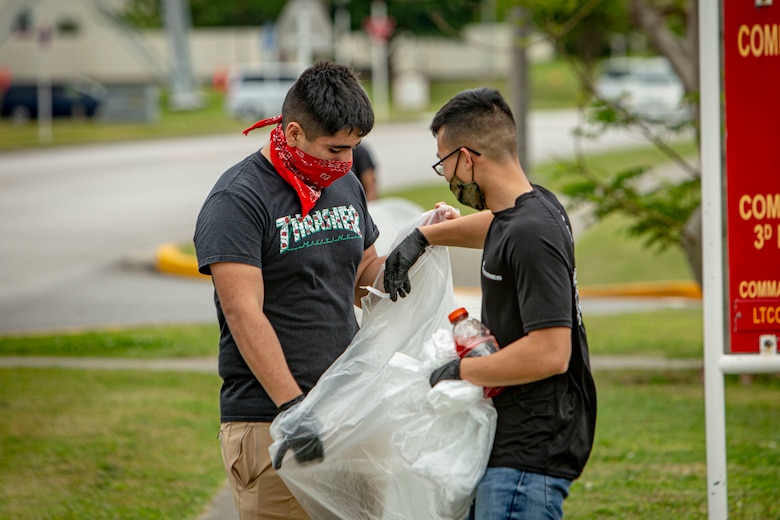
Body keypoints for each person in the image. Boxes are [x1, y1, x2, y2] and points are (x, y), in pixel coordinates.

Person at [383, 87, 597, 520]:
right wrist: (424, 237)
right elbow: (498, 227)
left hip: (527, 458)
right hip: (514, 447)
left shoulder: (531, 233)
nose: (446, 177)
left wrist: (459, 372)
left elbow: (552, 353)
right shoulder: (535, 208)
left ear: (468, 157)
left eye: (444, 162)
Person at [193, 61, 384, 519]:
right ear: (293, 132)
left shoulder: (343, 184)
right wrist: (294, 409)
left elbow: (363, 274)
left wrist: (416, 251)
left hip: (346, 410)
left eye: (354, 150)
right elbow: (244, 313)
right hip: (273, 421)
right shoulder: (238, 200)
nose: (346, 163)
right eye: (336, 149)